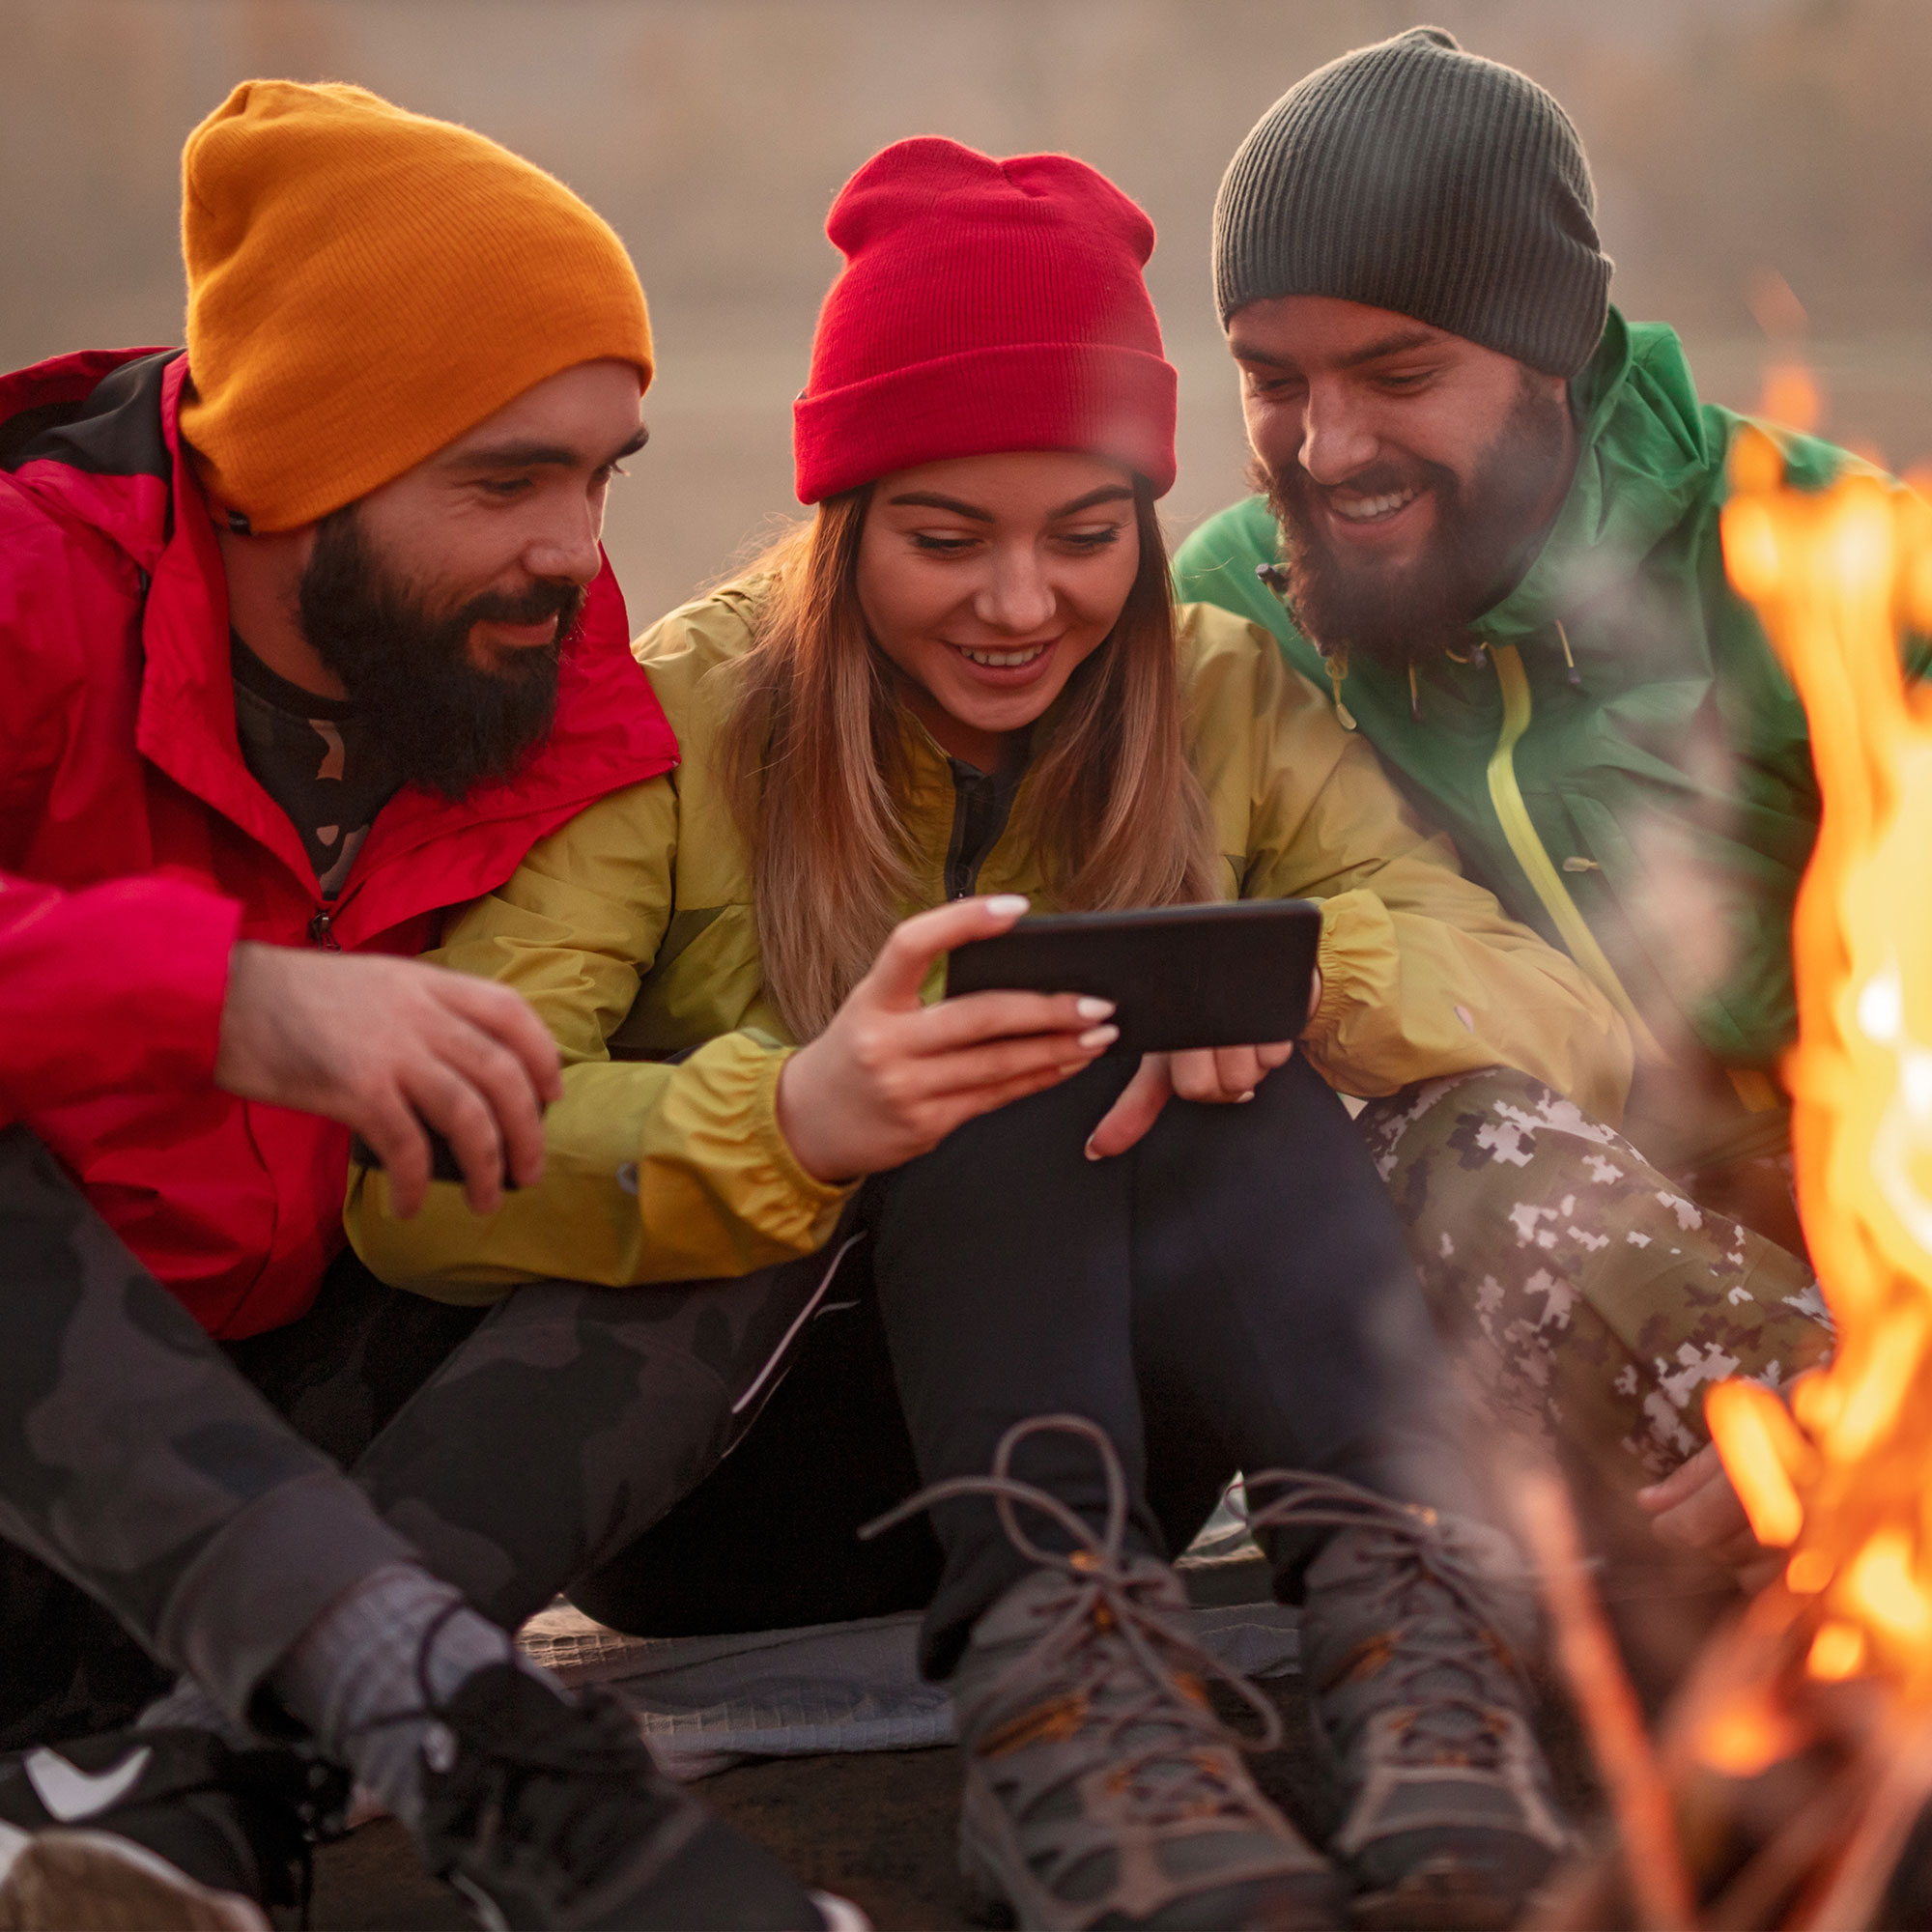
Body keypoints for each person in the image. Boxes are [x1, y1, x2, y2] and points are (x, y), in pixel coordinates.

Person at [348, 136, 1641, 1931]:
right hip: (754, 1474)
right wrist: (797, 1115)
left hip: (1126, 1436)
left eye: (1085, 536)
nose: (1022, 604)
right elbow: (415, 1171)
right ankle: (1056, 1722)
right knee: (1004, 1042)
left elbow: (1562, 1019)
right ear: (843, 518)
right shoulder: (672, 719)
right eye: (946, 538)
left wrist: (1280, 988)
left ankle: (1408, 1648)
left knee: (1212, 1020)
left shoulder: (1217, 692)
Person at [0, 82, 856, 1932]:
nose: (573, 546)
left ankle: (209, 1789)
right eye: (505, 479)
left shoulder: (528, 670)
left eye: (599, 473)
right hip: (41, 1452)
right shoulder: (31, 584)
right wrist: (225, 1001)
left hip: (283, 1496)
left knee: (733, 1150)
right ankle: (475, 1752)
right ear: (292, 465)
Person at [1172, 25, 1842, 1577]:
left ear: (1552, 344)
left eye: (1400, 374)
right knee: (1446, 1129)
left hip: (1870, 1271)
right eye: (1275, 383)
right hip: (1507, 1294)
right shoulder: (1225, 615)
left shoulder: (1824, 562)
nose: (1329, 449)